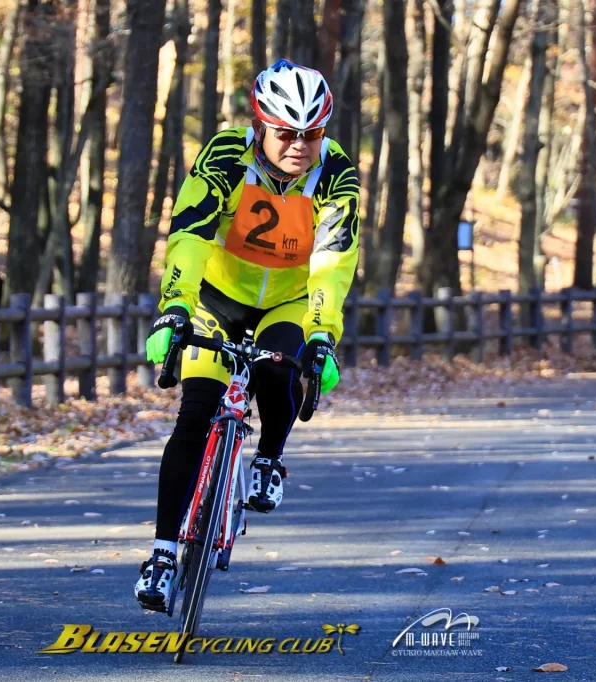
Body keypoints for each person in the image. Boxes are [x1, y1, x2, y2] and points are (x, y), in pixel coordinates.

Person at [134, 59, 361, 610]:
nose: (299, 145)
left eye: (312, 134)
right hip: (216, 295)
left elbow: (333, 261)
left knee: (279, 366)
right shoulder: (227, 154)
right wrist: (174, 309)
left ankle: (269, 457)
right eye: (286, 132)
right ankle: (163, 555)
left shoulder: (336, 172)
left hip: (285, 299)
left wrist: (324, 334)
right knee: (195, 412)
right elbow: (190, 232)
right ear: (260, 123)